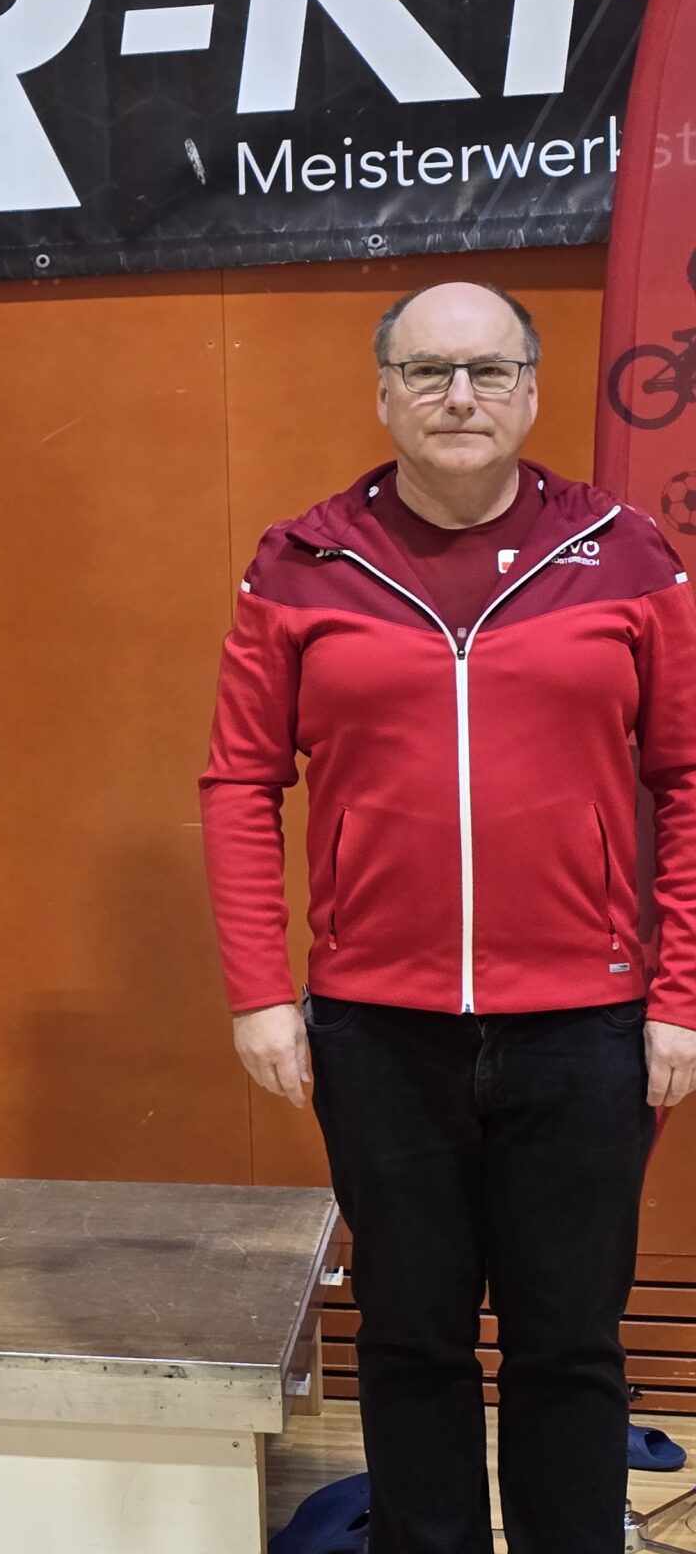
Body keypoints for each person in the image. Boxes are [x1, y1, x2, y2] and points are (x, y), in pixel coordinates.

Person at [203, 280, 696, 1554]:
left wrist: (680, 995)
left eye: (487, 371)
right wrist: (260, 989)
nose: (458, 396)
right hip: (377, 1030)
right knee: (410, 1337)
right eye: (427, 371)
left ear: (531, 390)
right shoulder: (302, 562)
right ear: (384, 393)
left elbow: (687, 778)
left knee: (568, 1343)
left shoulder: (625, 553)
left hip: (584, 1028)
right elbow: (239, 781)